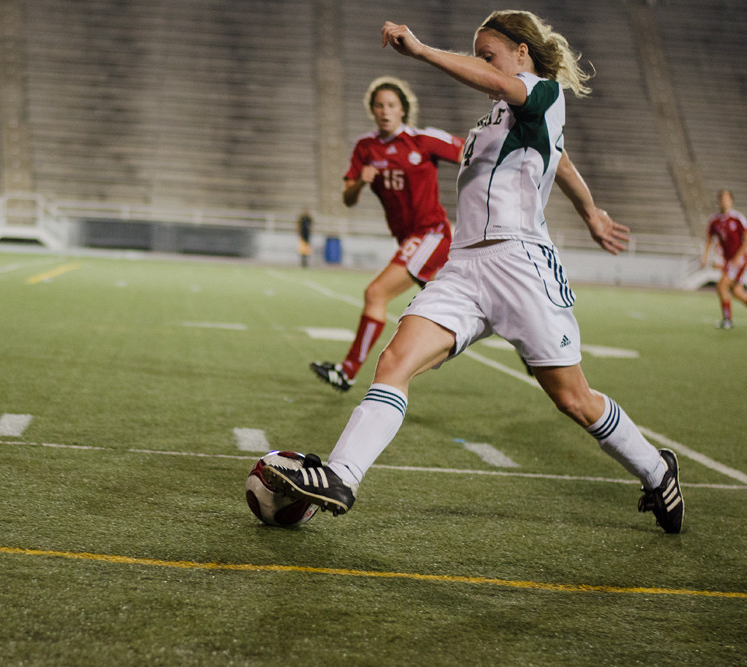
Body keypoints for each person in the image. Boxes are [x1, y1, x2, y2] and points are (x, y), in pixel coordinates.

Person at [266, 10, 684, 534]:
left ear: (521, 53)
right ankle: (341, 476)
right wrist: (591, 211)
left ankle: (655, 470)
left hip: (520, 264)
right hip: (463, 266)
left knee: (572, 398)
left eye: (488, 54)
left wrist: (421, 52)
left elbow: (530, 120)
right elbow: (563, 160)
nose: (482, 65)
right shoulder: (499, 118)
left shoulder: (542, 93)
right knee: (395, 359)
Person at [310, 76, 464, 392]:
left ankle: (348, 371)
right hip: (410, 240)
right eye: (379, 105)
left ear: (403, 109)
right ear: (372, 110)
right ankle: (527, 343)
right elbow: (347, 199)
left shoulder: (422, 140)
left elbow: (470, 153)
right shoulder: (366, 148)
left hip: (431, 234)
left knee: (376, 293)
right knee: (458, 303)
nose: (384, 111)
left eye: (391, 105)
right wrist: (359, 183)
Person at [700, 189, 747, 329]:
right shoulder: (714, 221)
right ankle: (727, 320)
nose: (724, 201)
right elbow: (710, 240)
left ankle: (728, 320)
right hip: (728, 262)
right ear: (718, 201)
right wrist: (706, 257)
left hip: (739, 260)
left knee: (721, 286)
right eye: (721, 199)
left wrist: (738, 257)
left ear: (731, 201)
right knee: (738, 293)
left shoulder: (738, 218)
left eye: (726, 199)